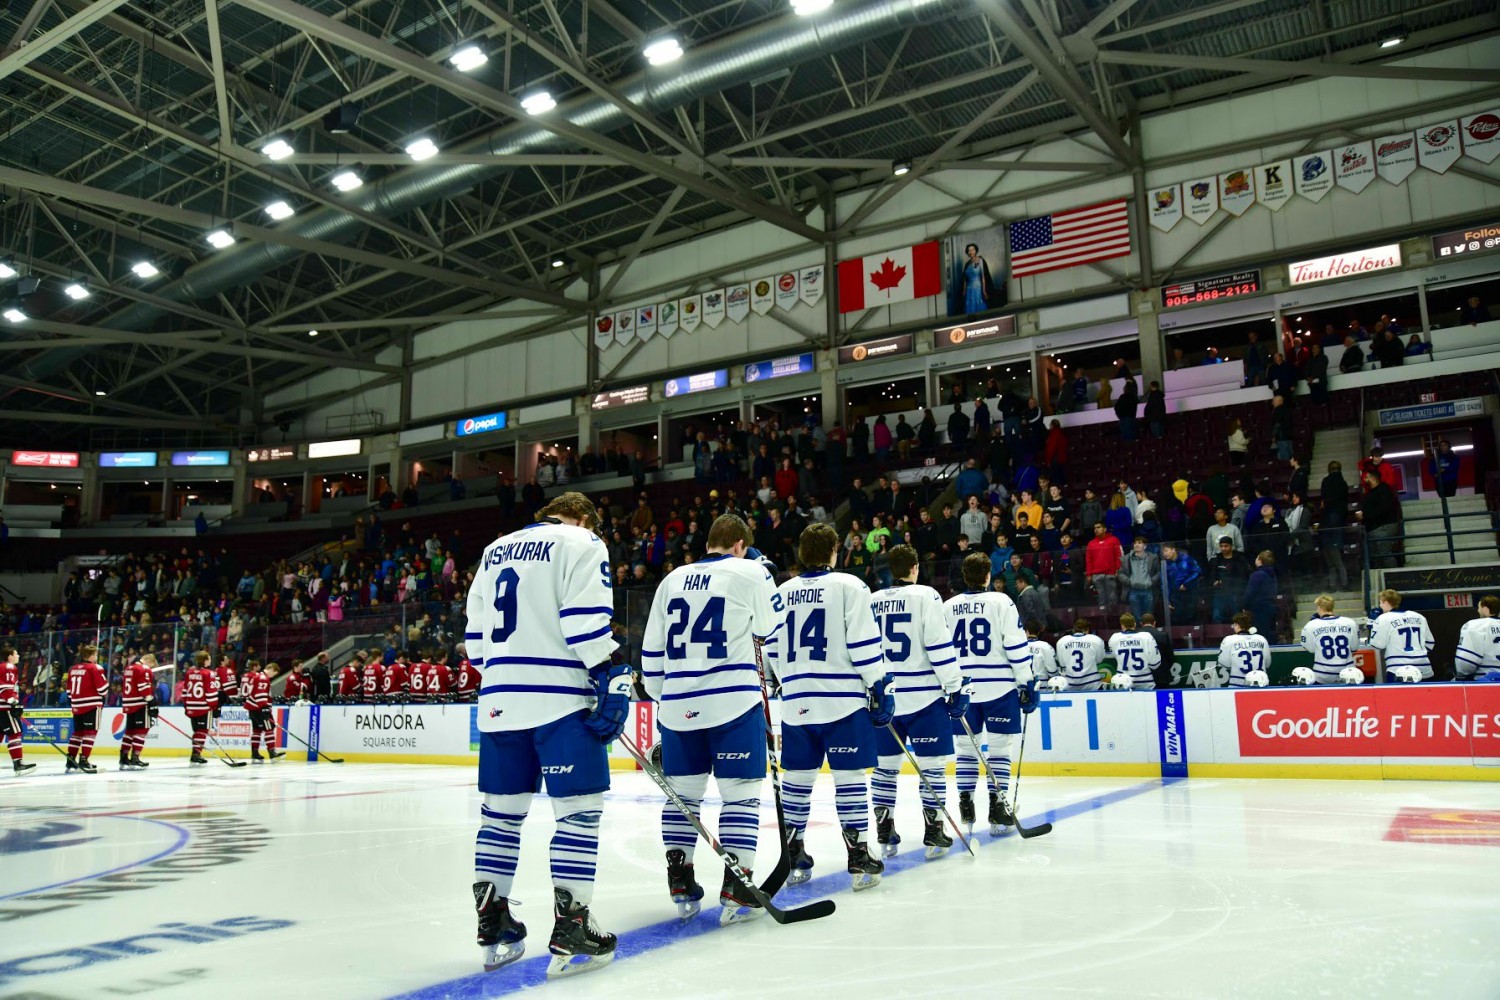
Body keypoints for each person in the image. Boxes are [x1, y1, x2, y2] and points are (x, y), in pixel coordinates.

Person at [467, 491, 624, 975]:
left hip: (498, 700)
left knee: (500, 817)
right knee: (578, 813)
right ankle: (572, 920)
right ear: (584, 517)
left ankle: (493, 920)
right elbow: (584, 625)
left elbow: (474, 642)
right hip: (558, 698)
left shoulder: (495, 550)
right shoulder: (582, 541)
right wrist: (612, 676)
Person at [642, 513, 781, 926]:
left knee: (682, 797)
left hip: (677, 707)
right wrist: (761, 575)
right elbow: (770, 629)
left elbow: (651, 657)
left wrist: (666, 698)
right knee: (740, 794)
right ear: (740, 544)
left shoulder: (672, 579)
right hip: (734, 705)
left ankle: (680, 880)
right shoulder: (749, 571)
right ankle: (737, 887)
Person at [762, 523, 890, 892]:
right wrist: (880, 683)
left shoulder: (781, 592)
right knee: (849, 779)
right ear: (834, 551)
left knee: (797, 781)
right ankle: (859, 852)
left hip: (796, 703)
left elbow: (771, 649)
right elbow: (864, 643)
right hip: (842, 702)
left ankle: (793, 852)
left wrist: (787, 679)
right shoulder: (851, 586)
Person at [869, 544, 966, 860]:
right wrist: (955, 686)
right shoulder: (926, 596)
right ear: (914, 568)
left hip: (886, 699)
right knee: (933, 769)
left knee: (884, 770)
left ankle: (884, 832)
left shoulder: (871, 601)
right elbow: (939, 645)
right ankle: (935, 831)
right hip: (924, 697)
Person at [944, 552, 1035, 834]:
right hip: (999, 688)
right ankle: (998, 810)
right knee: (999, 751)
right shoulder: (1001, 601)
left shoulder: (948, 606)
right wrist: (1026, 682)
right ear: (987, 576)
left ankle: (966, 807)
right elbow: (1017, 646)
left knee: (966, 751)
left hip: (963, 689)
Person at [1370, 589, 1435, 681]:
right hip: (1423, 667)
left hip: (1398, 668)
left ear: (1386, 602)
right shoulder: (1419, 616)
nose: (1380, 605)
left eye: (1380, 602)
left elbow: (1378, 645)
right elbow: (1430, 643)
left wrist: (1373, 626)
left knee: (1398, 695)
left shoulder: (1384, 618)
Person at [64, 643, 108, 774]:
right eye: (95, 654)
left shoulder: (73, 669)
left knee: (77, 733)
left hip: (77, 705)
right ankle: (84, 760)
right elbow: (102, 689)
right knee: (90, 733)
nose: (96, 657)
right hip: (91, 704)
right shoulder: (95, 668)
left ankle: (70, 760)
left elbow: (68, 692)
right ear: (89, 655)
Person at [1298, 594, 1359, 685]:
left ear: (1319, 607)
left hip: (1322, 674)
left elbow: (1310, 649)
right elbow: (1354, 647)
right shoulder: (1350, 622)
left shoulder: (1311, 625)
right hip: (1348, 672)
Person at [119, 652, 157, 770]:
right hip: (140, 703)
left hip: (128, 703)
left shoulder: (129, 668)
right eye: (152, 666)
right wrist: (151, 702)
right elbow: (144, 687)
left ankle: (124, 757)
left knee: (130, 731)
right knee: (141, 731)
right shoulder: (144, 668)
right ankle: (135, 757)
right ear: (150, 661)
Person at [182, 650, 220, 765]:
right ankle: (196, 754)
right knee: (202, 731)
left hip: (191, 706)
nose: (210, 660)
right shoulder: (209, 673)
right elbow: (211, 691)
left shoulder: (190, 672)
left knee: (197, 731)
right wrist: (215, 707)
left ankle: (195, 754)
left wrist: (186, 705)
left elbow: (184, 690)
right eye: (209, 658)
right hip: (204, 706)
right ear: (205, 660)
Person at [241, 660, 284, 762]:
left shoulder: (258, 676)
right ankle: (272, 752)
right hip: (260, 708)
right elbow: (260, 693)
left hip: (253, 708)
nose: (273, 676)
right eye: (274, 673)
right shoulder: (263, 678)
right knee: (269, 728)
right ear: (272, 669)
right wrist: (264, 707)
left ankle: (255, 753)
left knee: (257, 730)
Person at [1, 644, 35, 773]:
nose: (18, 656)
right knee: (15, 734)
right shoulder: (9, 667)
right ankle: (18, 763)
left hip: (2, 707)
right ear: (10, 657)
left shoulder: (2, 667)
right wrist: (13, 703)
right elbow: (5, 688)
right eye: (16, 654)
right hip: (5, 707)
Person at [1358, 470, 1401, 569]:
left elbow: (1382, 509)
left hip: (1382, 526)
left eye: (1367, 477)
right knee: (1377, 556)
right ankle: (1382, 578)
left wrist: (1365, 515)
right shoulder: (1377, 491)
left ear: (1373, 478)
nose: (1365, 479)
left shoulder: (1383, 490)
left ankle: (1393, 577)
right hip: (1376, 527)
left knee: (1384, 554)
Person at [1107, 613, 1160, 690]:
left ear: (1122, 625)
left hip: (1122, 682)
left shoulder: (1115, 638)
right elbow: (1155, 664)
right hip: (1145, 681)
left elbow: (1114, 655)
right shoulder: (1146, 637)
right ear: (1135, 624)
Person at [1218, 613, 1271, 688]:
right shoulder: (1261, 639)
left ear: (1237, 625)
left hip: (1237, 684)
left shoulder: (1229, 640)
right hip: (1260, 683)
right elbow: (1267, 663)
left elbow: (1223, 663)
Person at [1320, 461, 1350, 590]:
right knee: (1338, 558)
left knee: (1332, 561)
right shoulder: (1343, 483)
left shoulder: (1326, 481)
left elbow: (1324, 496)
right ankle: (1344, 583)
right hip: (1339, 517)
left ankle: (1334, 584)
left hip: (1328, 521)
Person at [1054, 619, 1107, 691]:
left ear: (1073, 629)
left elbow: (1062, 664)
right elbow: (1099, 659)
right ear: (1087, 630)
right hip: (1092, 683)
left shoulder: (1062, 641)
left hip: (1070, 683)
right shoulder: (1095, 640)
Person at [1455, 596, 1500, 681]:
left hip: (1486, 682)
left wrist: (1461, 676)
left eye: (1479, 607)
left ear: (1486, 609)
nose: (1478, 610)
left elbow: (1466, 661)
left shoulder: (1475, 625)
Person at [1209, 537, 1251, 624]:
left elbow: (1244, 576)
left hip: (1235, 593)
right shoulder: (1216, 560)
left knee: (1236, 617)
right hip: (1220, 592)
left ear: (1231, 546)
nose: (1223, 548)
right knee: (1217, 616)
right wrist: (1214, 582)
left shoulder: (1240, 559)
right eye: (1221, 546)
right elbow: (1211, 576)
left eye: (1226, 546)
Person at [1118, 537, 1160, 622]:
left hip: (1148, 590)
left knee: (1149, 615)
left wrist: (1151, 582)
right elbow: (1120, 573)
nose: (1136, 545)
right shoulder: (1126, 559)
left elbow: (1159, 572)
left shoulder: (1153, 557)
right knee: (1136, 616)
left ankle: (1149, 632)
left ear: (1145, 546)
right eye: (1135, 543)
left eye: (1140, 543)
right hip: (1133, 590)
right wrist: (1130, 582)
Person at [1160, 541, 1201, 625]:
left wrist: (1186, 584)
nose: (1164, 554)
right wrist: (1167, 600)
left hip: (1190, 593)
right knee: (1178, 619)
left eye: (1166, 551)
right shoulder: (1165, 565)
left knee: (1191, 617)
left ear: (1173, 549)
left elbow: (1197, 571)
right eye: (1163, 552)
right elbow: (1164, 583)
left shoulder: (1186, 559)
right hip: (1175, 596)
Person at [1085, 522, 1123, 607]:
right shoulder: (1091, 543)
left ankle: (1113, 618)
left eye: (1098, 527)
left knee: (1112, 598)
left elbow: (1119, 556)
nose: (1096, 530)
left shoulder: (1114, 540)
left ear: (1105, 529)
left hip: (1110, 573)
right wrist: (1089, 574)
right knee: (1101, 599)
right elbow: (1088, 560)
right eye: (1095, 528)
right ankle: (1103, 618)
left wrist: (1118, 569)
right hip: (1096, 575)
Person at [1244, 550, 1279, 641]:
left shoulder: (1257, 575)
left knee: (1261, 637)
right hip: (1271, 608)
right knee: (1270, 635)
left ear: (1260, 560)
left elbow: (1250, 593)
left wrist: (1245, 606)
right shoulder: (1273, 575)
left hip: (1259, 611)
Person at [959, 242, 994, 313]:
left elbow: (983, 277)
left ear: (975, 251)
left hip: (978, 288)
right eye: (969, 250)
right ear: (967, 252)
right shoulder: (967, 264)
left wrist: (984, 291)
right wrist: (964, 291)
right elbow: (965, 279)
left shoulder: (980, 260)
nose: (970, 252)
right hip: (968, 290)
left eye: (972, 250)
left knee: (979, 307)